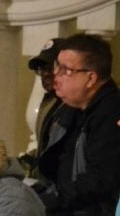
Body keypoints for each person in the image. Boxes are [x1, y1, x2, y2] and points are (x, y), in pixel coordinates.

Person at [34, 33, 120, 215]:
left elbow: (102, 180)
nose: (55, 75)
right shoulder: (72, 108)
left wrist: (47, 201)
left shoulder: (112, 112)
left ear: (91, 78)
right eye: (57, 66)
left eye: (66, 70)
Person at [19, 38, 65, 178]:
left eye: (51, 67)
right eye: (42, 69)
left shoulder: (74, 105)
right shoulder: (48, 101)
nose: (45, 74)